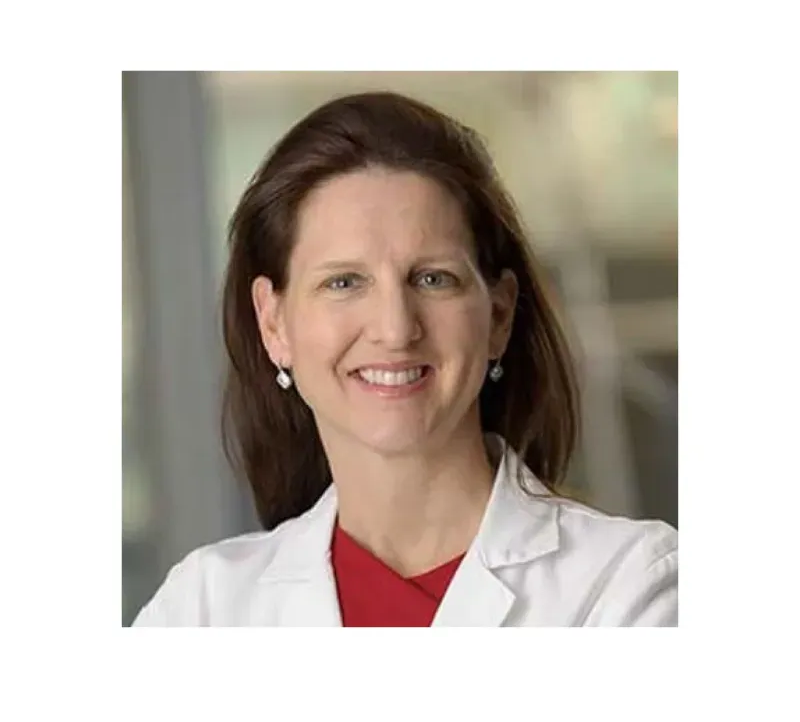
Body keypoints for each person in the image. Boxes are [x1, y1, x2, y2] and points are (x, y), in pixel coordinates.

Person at [132, 90, 677, 627]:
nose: (395, 329)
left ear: (499, 316)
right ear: (273, 323)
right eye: (344, 282)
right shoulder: (202, 606)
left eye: (433, 279)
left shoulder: (631, 585)